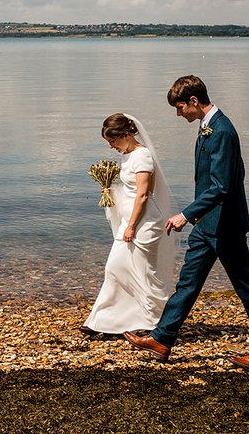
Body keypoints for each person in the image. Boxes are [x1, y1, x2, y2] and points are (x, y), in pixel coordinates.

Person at [124, 75, 249, 369]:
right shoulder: (207, 127)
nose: (178, 113)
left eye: (180, 107)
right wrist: (197, 217)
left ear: (194, 101)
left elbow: (221, 186)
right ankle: (162, 338)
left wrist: (186, 214)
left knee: (246, 287)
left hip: (225, 227)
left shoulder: (221, 131)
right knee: (188, 284)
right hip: (206, 226)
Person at [81, 113, 176, 336]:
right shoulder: (129, 156)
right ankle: (102, 320)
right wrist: (109, 189)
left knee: (142, 273)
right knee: (116, 268)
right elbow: (131, 190)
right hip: (132, 219)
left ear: (126, 134)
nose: (112, 146)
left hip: (144, 223)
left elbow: (143, 195)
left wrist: (131, 226)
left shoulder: (142, 156)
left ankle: (154, 320)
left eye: (113, 141)